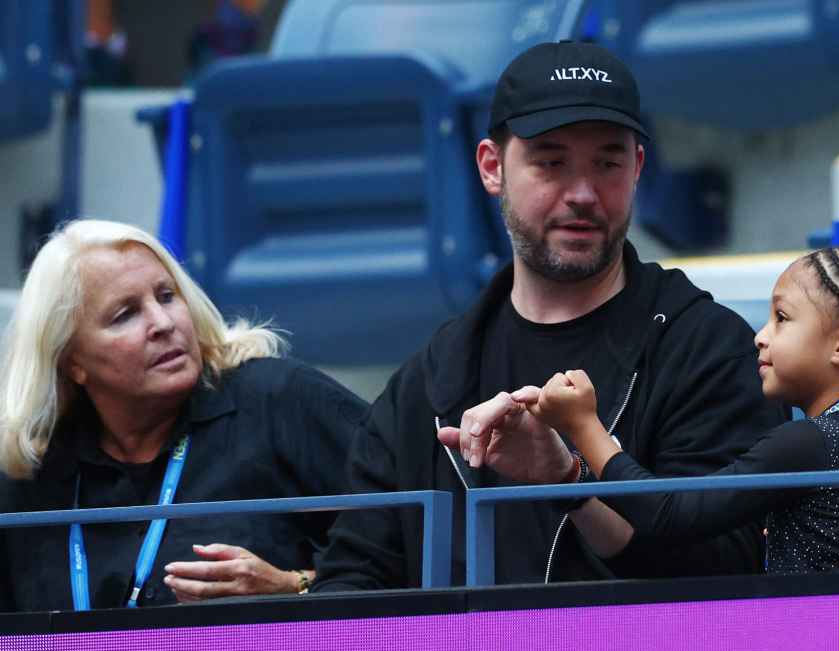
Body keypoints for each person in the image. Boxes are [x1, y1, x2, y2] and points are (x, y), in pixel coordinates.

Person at [313, 41, 785, 592]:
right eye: (551, 162)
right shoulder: (430, 380)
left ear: (636, 169)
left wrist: (571, 481)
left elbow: (731, 581)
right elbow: (353, 581)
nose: (583, 194)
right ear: (493, 167)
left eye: (607, 162)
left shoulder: (706, 348)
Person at [0, 219, 366, 612]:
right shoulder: (31, 474)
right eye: (125, 314)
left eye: (167, 296)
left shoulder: (282, 400)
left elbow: (416, 545)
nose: (163, 323)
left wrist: (294, 586)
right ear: (72, 362)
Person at [518, 245, 839, 572]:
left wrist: (583, 426)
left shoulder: (805, 444)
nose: (761, 336)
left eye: (782, 318)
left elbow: (669, 514)